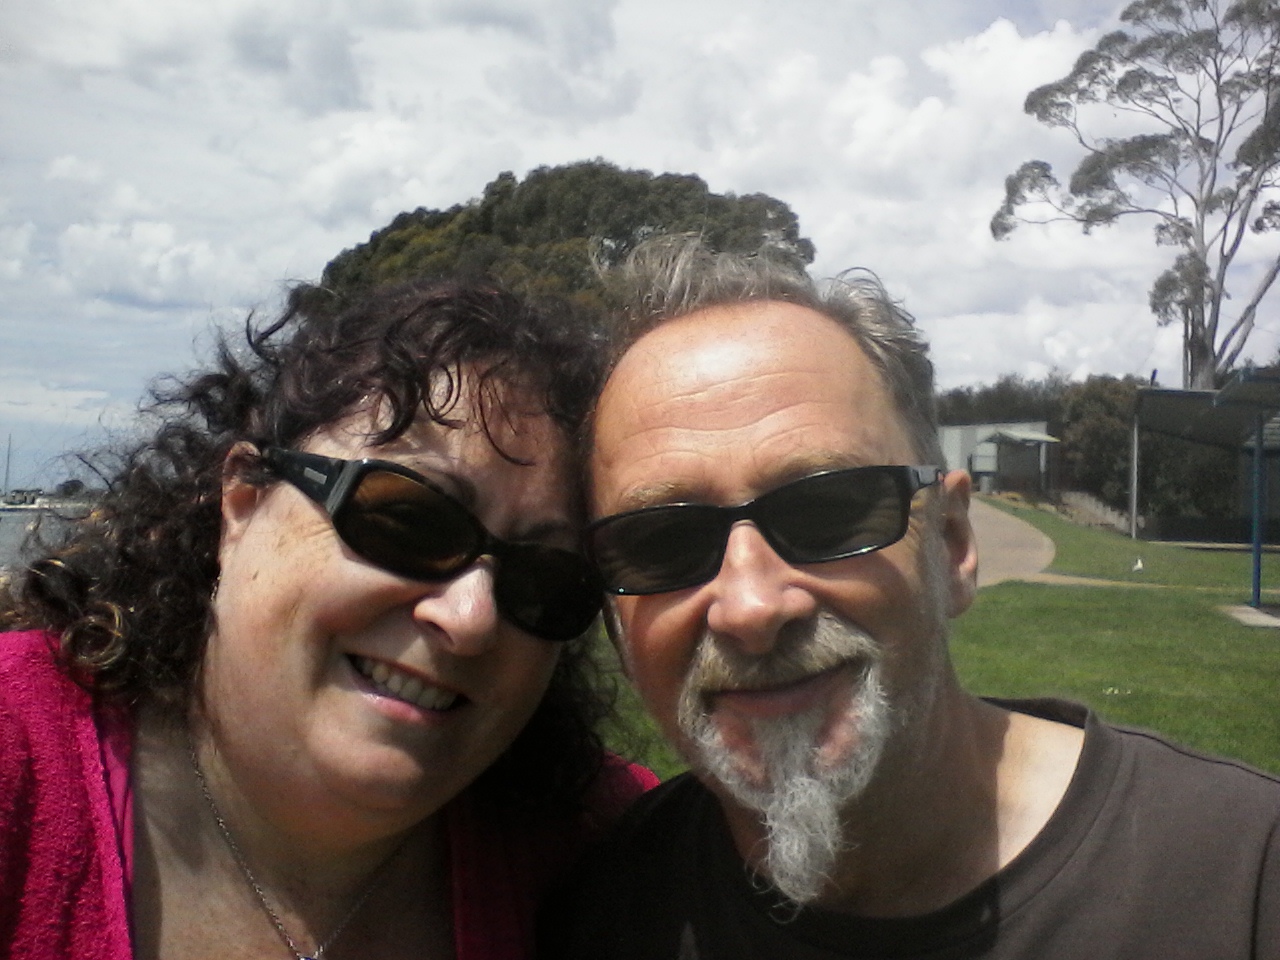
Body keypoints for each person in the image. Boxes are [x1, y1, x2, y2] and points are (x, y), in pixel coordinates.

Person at [542, 236, 1280, 959]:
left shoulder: (1245, 876)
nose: (753, 608)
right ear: (611, 614)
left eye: (828, 510)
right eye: (660, 542)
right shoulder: (604, 909)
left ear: (952, 544)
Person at [0, 277, 655, 959]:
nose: (471, 617)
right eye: (407, 519)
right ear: (243, 502)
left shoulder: (626, 855)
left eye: (546, 578)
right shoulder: (17, 756)